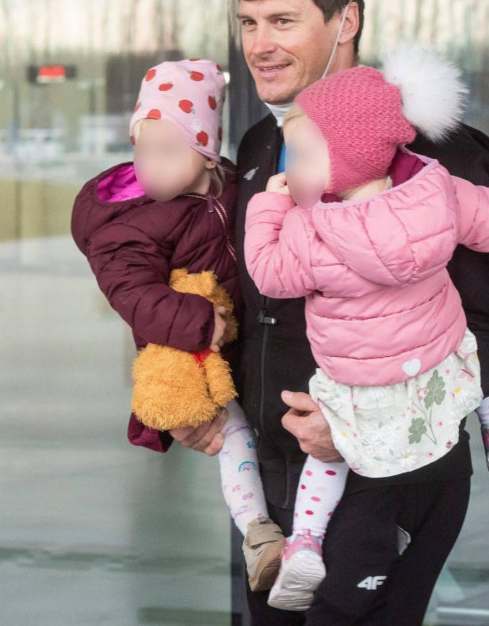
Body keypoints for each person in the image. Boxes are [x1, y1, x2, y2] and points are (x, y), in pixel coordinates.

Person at [168, 0, 489, 624]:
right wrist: (196, 398)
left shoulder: (429, 156)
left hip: (390, 479)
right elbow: (250, 302)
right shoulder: (261, 143)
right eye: (248, 22)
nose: (259, 44)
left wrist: (366, 425)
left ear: (347, 20)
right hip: (277, 487)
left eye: (283, 20)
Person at [244, 52, 489, 611]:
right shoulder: (438, 191)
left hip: (356, 388)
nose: (292, 168)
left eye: (302, 157)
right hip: (432, 357)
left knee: (328, 459)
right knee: (463, 353)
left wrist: (268, 206)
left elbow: (267, 271)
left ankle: (305, 538)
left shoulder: (311, 230)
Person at [70, 59, 288, 594]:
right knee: (231, 432)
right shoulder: (129, 221)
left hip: (251, 350)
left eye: (168, 151)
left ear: (207, 154)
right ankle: (257, 531)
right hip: (191, 354)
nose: (150, 166)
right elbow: (131, 292)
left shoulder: (233, 185)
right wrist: (196, 320)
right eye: (142, 149)